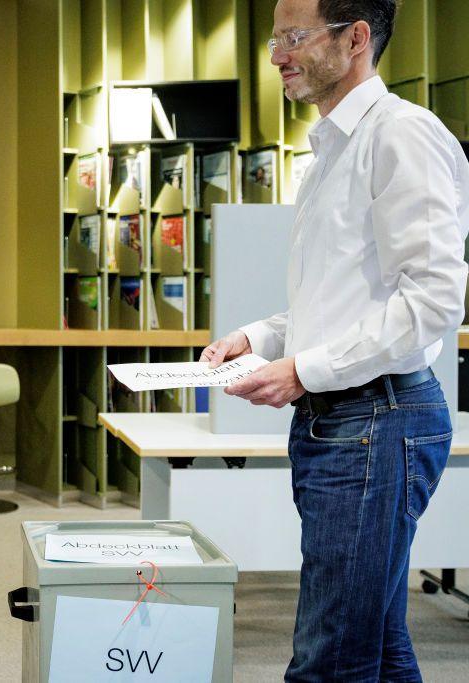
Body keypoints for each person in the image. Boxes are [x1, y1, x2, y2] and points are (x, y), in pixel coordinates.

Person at [202, 1, 469, 679]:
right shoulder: (329, 152)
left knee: (330, 656)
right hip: (348, 421)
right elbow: (339, 303)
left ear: (356, 38)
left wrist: (305, 370)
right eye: (274, 39)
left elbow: (432, 300)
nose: (275, 56)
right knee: (376, 641)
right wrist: (259, 336)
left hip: (377, 420)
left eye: (293, 38)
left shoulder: (401, 136)